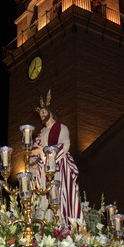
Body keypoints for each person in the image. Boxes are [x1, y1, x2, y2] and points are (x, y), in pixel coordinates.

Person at [31, 90, 82, 226]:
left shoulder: (61, 128)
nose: (41, 115)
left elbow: (65, 144)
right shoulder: (41, 132)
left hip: (59, 165)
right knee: (43, 196)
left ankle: (61, 223)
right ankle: (45, 223)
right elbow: (34, 150)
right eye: (40, 113)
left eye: (43, 112)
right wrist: (33, 161)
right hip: (43, 169)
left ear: (50, 112)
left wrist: (44, 152)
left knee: (59, 195)